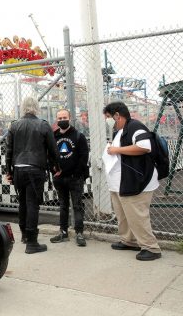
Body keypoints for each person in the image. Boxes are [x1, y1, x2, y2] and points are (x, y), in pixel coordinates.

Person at [103, 101, 161, 261]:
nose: (107, 121)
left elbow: (144, 146)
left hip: (138, 181)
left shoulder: (135, 126)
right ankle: (129, 240)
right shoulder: (120, 131)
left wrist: (117, 150)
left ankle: (151, 247)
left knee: (137, 215)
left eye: (108, 117)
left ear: (117, 115)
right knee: (123, 215)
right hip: (121, 183)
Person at [6, 97, 60, 254]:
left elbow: (8, 150)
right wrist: (56, 166)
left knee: (22, 202)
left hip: (18, 169)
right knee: (32, 204)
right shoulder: (43, 124)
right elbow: (53, 149)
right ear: (37, 107)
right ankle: (32, 242)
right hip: (35, 169)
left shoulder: (14, 125)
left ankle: (24, 235)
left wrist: (8, 171)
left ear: (22, 108)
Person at [50, 109, 89, 247]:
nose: (62, 120)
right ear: (56, 120)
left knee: (77, 206)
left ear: (70, 118)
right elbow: (48, 155)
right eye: (59, 118)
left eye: (64, 117)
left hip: (74, 178)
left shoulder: (79, 136)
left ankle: (79, 233)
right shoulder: (53, 136)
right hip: (59, 179)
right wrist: (52, 169)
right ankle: (63, 232)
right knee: (63, 206)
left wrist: (74, 173)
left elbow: (84, 158)